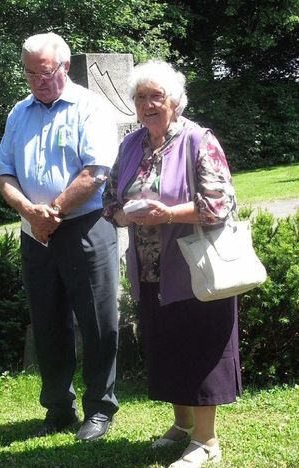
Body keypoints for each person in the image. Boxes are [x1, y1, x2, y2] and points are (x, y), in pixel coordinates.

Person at [103, 60, 241, 467]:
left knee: (199, 350)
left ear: (175, 103)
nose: (147, 105)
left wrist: (167, 214)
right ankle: (182, 427)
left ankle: (206, 441)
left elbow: (219, 205)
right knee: (167, 348)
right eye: (140, 97)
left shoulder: (199, 141)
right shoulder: (131, 145)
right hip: (150, 271)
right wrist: (127, 214)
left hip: (196, 269)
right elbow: (109, 202)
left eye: (156, 97)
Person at [0, 32, 119, 442]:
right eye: (30, 74)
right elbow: (4, 173)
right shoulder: (19, 112)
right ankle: (58, 408)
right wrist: (29, 212)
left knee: (97, 321)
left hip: (85, 226)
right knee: (47, 321)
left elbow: (96, 170)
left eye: (44, 74)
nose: (37, 82)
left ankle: (99, 409)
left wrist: (55, 211)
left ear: (64, 67)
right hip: (35, 231)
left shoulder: (91, 107)